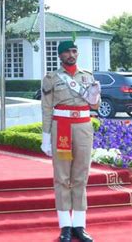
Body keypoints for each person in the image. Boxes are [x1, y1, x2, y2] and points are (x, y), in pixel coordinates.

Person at [41, 40, 100, 242]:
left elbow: (95, 106)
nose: (71, 54)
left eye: (74, 51)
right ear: (60, 55)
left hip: (83, 126)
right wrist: (46, 137)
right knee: (62, 177)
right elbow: (47, 108)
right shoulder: (51, 78)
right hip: (62, 127)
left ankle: (79, 226)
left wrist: (94, 96)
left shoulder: (88, 77)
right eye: (67, 52)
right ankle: (65, 225)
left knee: (81, 176)